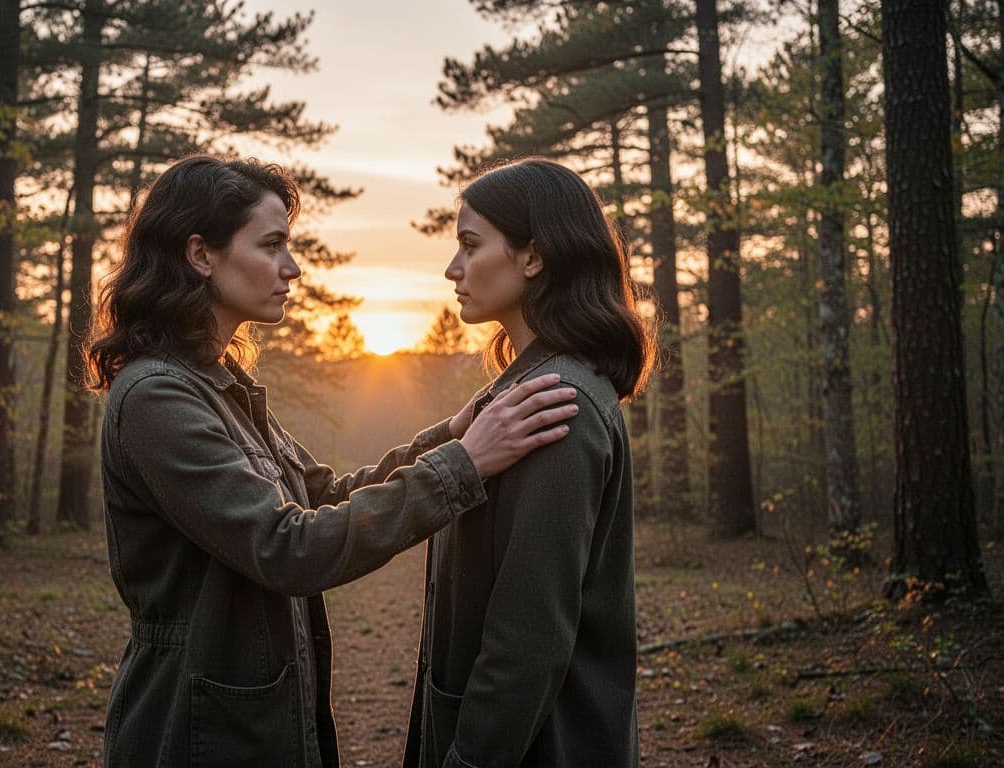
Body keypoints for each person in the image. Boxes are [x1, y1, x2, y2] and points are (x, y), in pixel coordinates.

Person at [84, 154, 580, 767]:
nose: (291, 268)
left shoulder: (215, 382)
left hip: (250, 725)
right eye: (271, 246)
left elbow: (321, 496)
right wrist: (463, 465)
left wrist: (451, 435)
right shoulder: (157, 397)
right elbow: (287, 545)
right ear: (200, 255)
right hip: (193, 733)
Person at [402, 158, 657, 768]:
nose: (452, 269)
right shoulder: (522, 392)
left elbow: (529, 635)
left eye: (470, 244)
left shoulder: (555, 406)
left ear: (533, 257)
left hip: (539, 746)